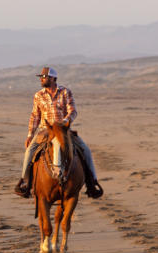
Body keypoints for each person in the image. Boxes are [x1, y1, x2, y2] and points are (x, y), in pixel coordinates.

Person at [14, 66, 103, 199]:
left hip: (63, 130)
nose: (42, 79)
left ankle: (92, 183)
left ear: (53, 78)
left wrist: (64, 123)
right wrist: (30, 135)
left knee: (86, 150)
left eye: (45, 77)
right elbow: (35, 116)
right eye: (42, 77)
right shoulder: (38, 95)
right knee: (29, 152)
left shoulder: (65, 92)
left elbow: (73, 111)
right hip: (45, 131)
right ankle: (25, 182)